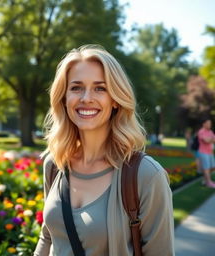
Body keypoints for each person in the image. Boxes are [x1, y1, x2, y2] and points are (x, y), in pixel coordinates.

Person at [34, 45, 174, 256]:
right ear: (63, 98)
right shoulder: (55, 164)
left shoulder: (146, 175)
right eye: (76, 88)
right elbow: (48, 237)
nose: (86, 98)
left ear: (116, 100)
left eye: (100, 88)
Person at [197, 119, 215, 188]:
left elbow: (212, 140)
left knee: (212, 167)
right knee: (206, 168)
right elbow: (206, 141)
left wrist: (209, 139)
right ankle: (209, 182)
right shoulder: (201, 131)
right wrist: (211, 139)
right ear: (203, 124)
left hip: (210, 153)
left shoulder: (210, 131)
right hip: (203, 153)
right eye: (208, 123)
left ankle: (205, 180)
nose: (209, 125)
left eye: (210, 123)